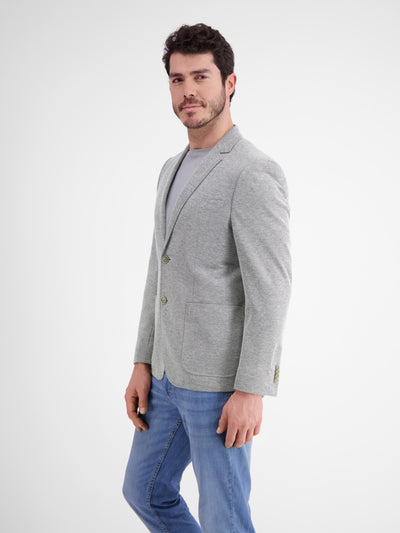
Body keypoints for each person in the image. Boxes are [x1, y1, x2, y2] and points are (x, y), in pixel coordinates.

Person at [122, 23, 291, 533]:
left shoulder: (253, 172)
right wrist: (142, 360)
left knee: (225, 518)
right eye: (177, 79)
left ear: (230, 83)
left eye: (201, 77)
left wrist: (251, 390)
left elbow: (271, 290)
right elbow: (158, 270)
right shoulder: (170, 168)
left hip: (219, 387)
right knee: (144, 491)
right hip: (165, 377)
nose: (188, 91)